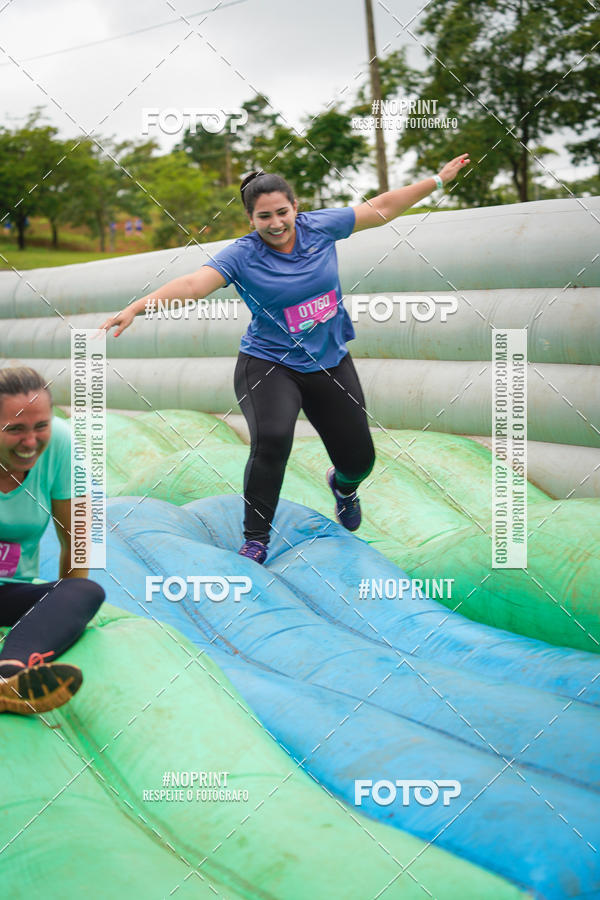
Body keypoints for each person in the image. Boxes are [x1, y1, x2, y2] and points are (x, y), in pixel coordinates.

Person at [102, 155, 470, 564]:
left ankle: (343, 487)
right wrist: (138, 307)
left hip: (329, 361)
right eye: (264, 217)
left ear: (296, 207)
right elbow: (193, 284)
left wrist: (436, 180)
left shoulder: (320, 227)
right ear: (250, 219)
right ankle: (256, 538)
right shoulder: (242, 255)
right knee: (273, 439)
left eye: (282, 212)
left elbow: (380, 208)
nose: (275, 223)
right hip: (269, 364)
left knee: (359, 460)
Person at [0, 367, 105, 714]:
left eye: (40, 426)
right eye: (15, 429)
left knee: (85, 591)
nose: (31, 442)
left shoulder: (59, 443)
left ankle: (8, 676)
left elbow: (76, 539)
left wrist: (65, 611)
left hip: (9, 589)